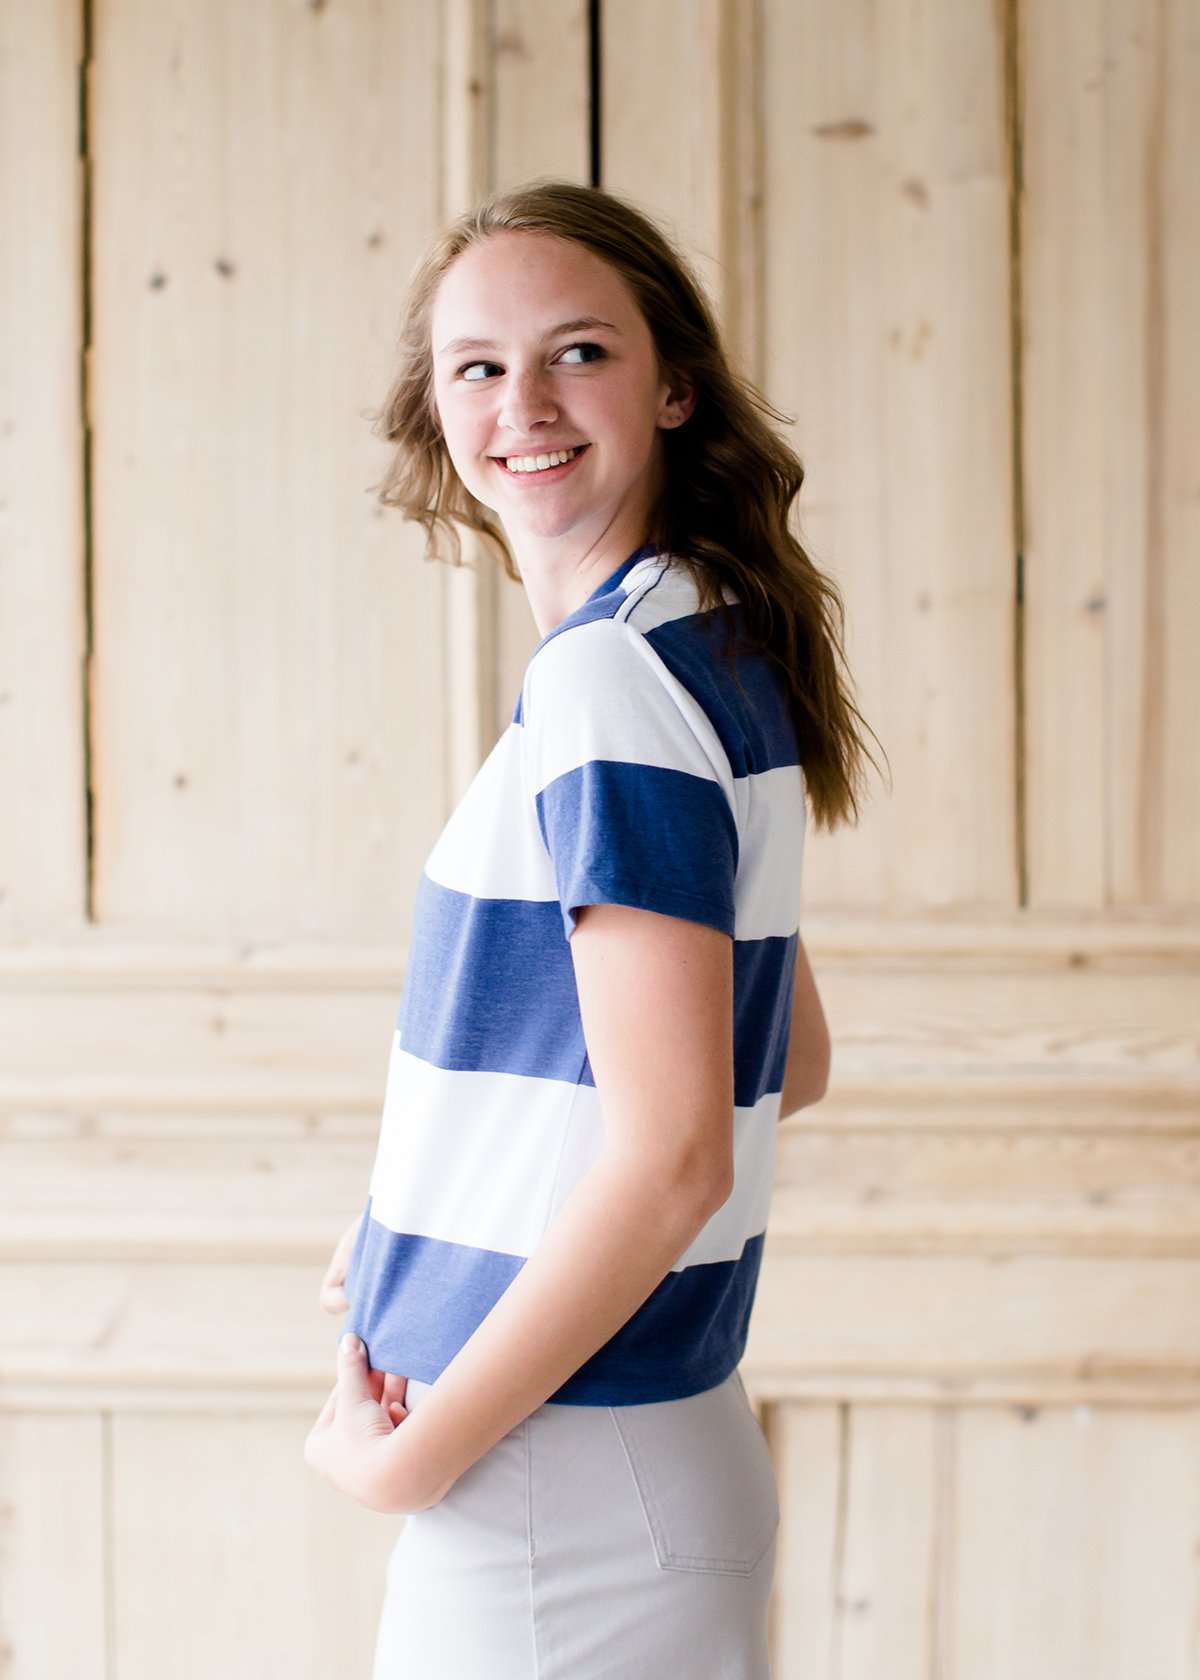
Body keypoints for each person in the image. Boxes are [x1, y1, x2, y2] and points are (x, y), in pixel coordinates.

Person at [304, 178, 882, 1679]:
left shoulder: (608, 686)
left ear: (673, 385)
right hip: (624, 1463)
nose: (525, 403)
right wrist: (436, 1215)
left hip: (560, 1488)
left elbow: (679, 1150)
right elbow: (783, 1057)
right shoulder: (701, 638)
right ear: (437, 414)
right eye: (478, 368)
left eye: (581, 352)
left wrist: (403, 1467)